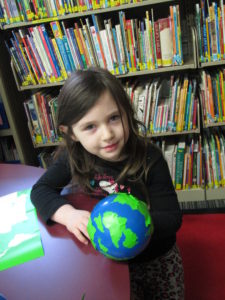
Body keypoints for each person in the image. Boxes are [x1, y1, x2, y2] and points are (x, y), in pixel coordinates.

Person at [31, 67, 184, 300]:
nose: (107, 135)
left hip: (156, 257)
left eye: (114, 118)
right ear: (71, 133)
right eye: (90, 127)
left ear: (126, 112)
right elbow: (40, 190)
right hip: (110, 260)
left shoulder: (149, 158)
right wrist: (68, 214)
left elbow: (172, 217)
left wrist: (136, 225)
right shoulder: (75, 157)